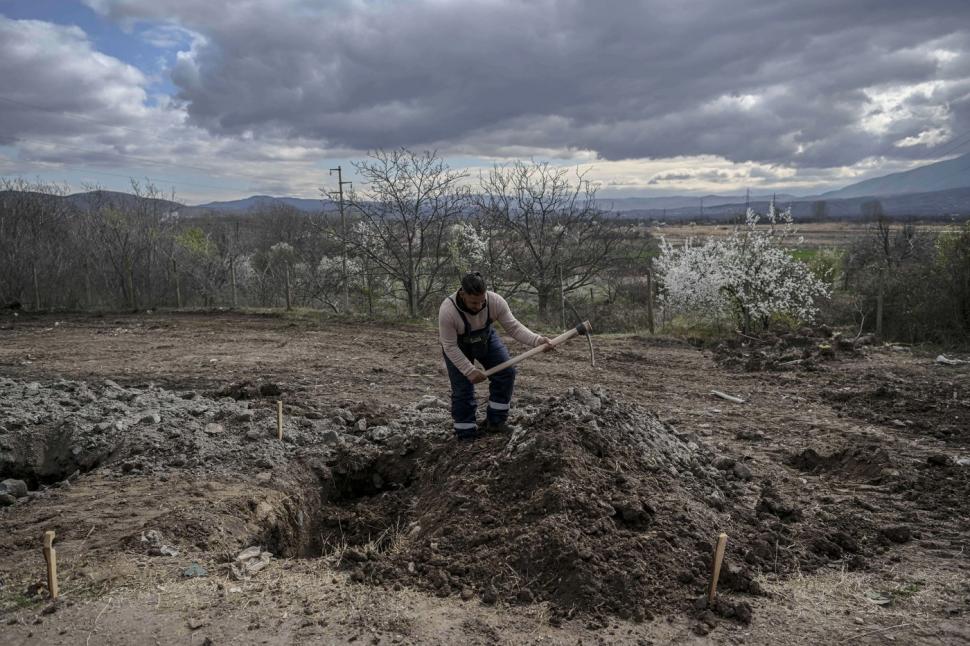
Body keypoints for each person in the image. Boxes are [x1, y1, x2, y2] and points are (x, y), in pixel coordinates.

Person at [438, 272, 552, 441]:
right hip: (458, 347)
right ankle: (465, 433)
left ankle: (496, 421)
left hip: (485, 338)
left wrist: (537, 340)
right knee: (463, 389)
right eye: (473, 302)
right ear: (462, 294)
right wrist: (469, 370)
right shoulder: (448, 311)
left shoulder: (495, 301)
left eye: (481, 301)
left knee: (507, 372)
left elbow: (514, 328)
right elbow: (449, 346)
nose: (478, 306)